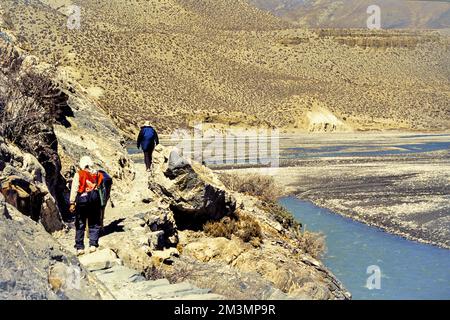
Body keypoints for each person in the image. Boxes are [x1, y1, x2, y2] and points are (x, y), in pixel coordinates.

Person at [69, 156, 104, 256]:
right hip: (94, 201)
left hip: (82, 202)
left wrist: (72, 202)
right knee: (94, 222)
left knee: (80, 223)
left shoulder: (79, 174)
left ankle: (80, 247)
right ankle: (93, 244)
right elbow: (100, 187)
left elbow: (74, 188)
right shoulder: (97, 174)